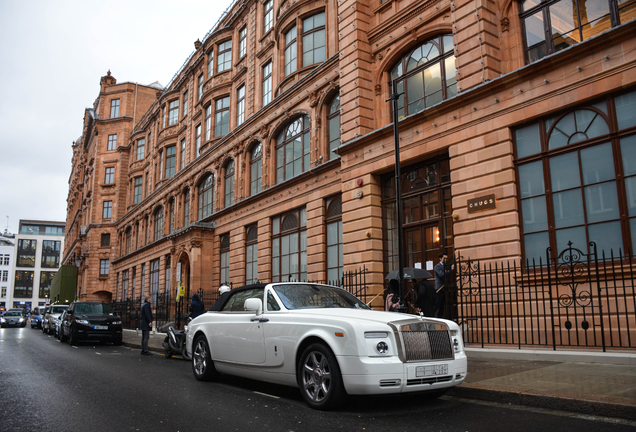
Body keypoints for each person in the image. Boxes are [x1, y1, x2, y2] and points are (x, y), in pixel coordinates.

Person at [434, 253, 454, 318]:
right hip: (439, 288)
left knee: (442, 305)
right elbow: (441, 275)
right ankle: (430, 315)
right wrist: (450, 270)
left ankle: (440, 317)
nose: (446, 260)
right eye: (444, 258)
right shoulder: (437, 266)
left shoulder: (445, 266)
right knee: (437, 304)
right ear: (440, 258)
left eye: (447, 258)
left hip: (444, 288)